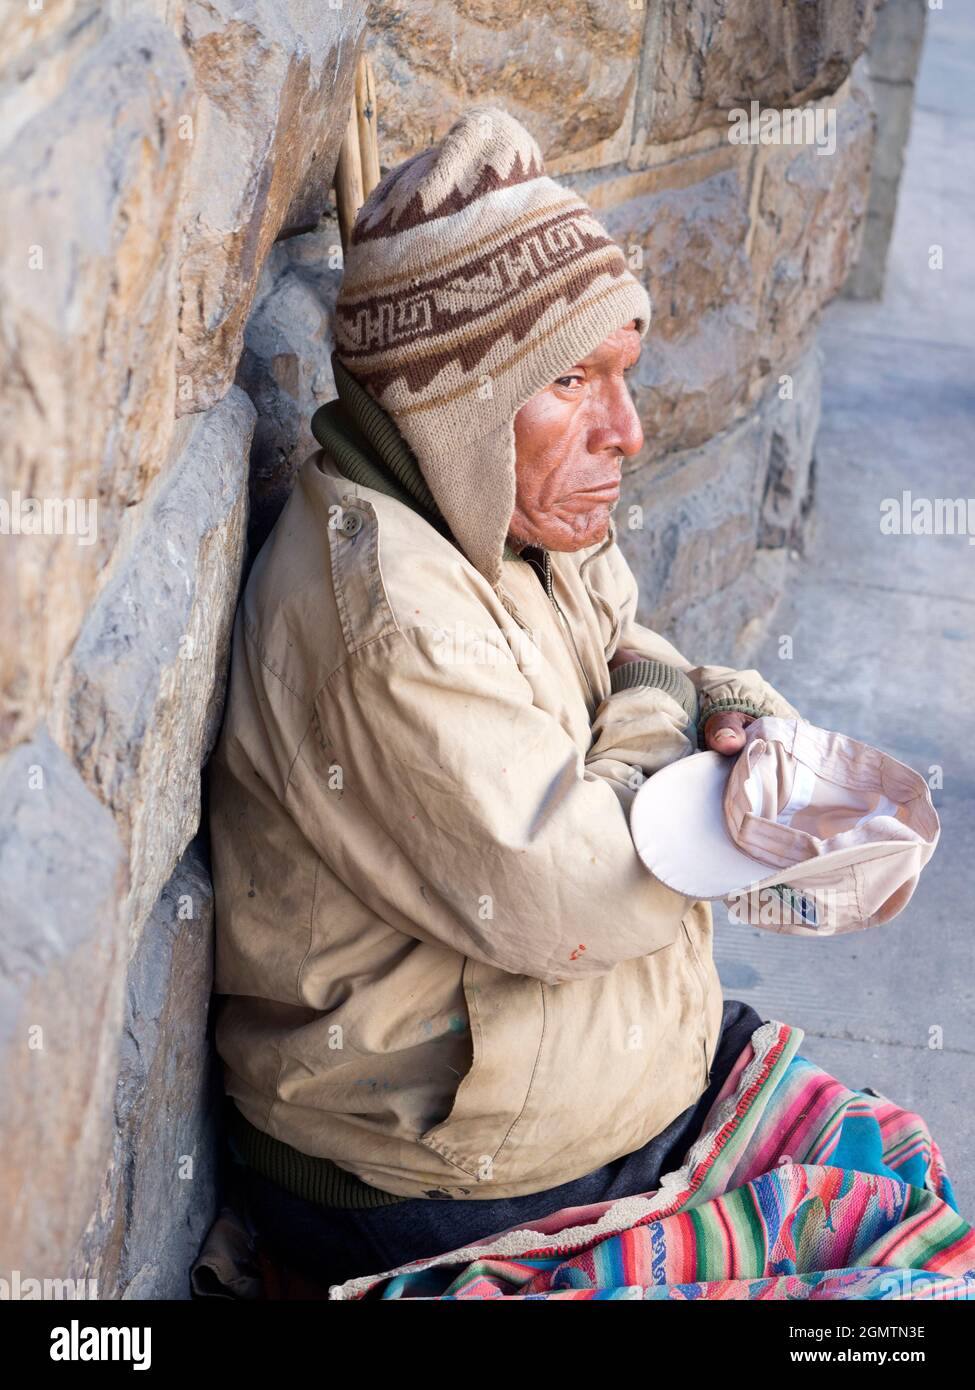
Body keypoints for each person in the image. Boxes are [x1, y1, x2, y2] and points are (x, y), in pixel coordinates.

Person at [207, 105, 803, 1289]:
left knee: (894, 1185)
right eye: (573, 380)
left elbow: (628, 645)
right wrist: (662, 712)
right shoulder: (392, 619)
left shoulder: (509, 517)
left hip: (552, 1092)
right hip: (433, 1171)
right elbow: (580, 882)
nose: (626, 432)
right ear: (457, 409)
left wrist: (717, 696)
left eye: (622, 377)